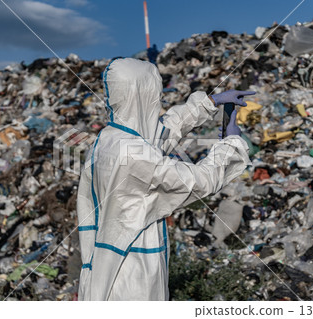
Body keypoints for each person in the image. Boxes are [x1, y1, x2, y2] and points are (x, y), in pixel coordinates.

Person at [77, 57, 255, 300]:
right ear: (142, 96)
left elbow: (162, 133)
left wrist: (209, 103)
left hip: (107, 266)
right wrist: (231, 145)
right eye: (155, 95)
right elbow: (199, 181)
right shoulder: (134, 156)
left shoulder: (109, 139)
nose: (157, 102)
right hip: (132, 275)